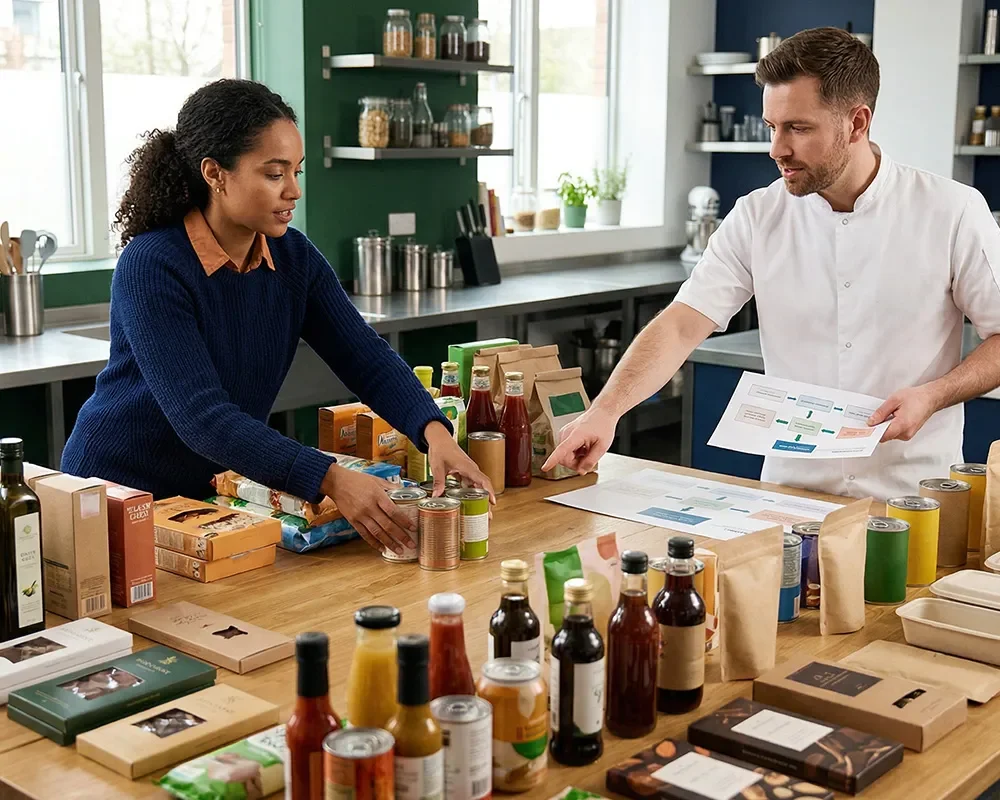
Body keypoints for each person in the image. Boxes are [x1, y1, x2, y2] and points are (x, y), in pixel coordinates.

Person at [544, 27, 1000, 501]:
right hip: (788, 497)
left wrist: (933, 395)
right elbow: (681, 324)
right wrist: (606, 410)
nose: (776, 148)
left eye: (798, 128)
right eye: (771, 126)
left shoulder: (951, 211)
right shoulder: (757, 215)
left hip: (912, 497)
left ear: (857, 123)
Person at [61, 79, 492, 555]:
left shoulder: (293, 258)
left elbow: (364, 355)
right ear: (215, 174)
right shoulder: (152, 265)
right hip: (113, 497)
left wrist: (435, 434)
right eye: (273, 174)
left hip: (207, 503)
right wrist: (331, 479)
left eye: (297, 171)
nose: (294, 191)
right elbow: (204, 419)